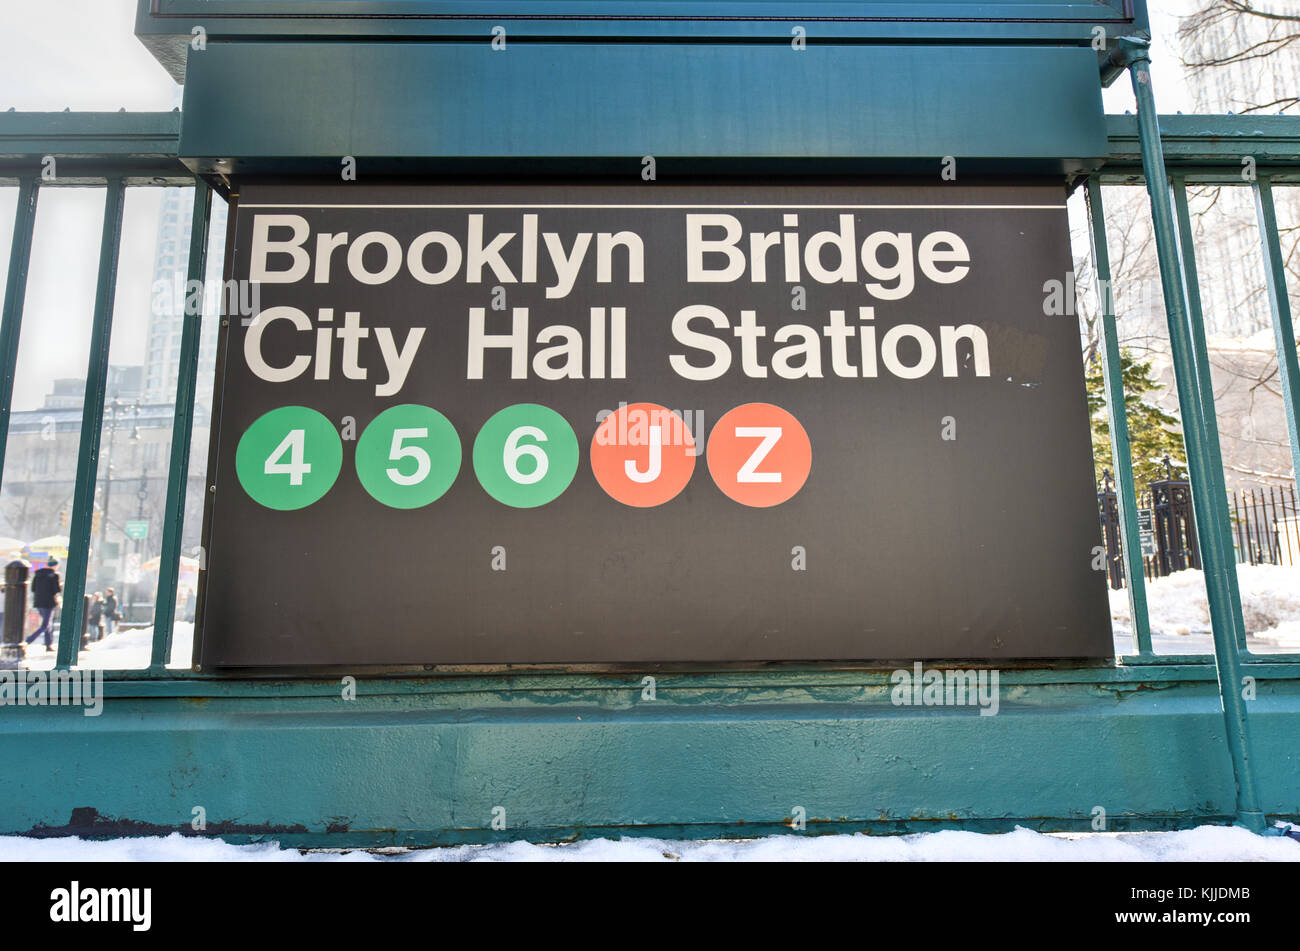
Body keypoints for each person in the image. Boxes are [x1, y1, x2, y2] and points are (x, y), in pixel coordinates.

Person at [26, 557, 61, 652]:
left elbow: (33, 589)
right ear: (56, 565)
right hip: (49, 603)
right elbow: (56, 590)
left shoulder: (37, 574)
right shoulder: (54, 575)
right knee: (45, 625)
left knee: (48, 624)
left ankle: (48, 644)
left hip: (38, 602)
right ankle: (28, 640)